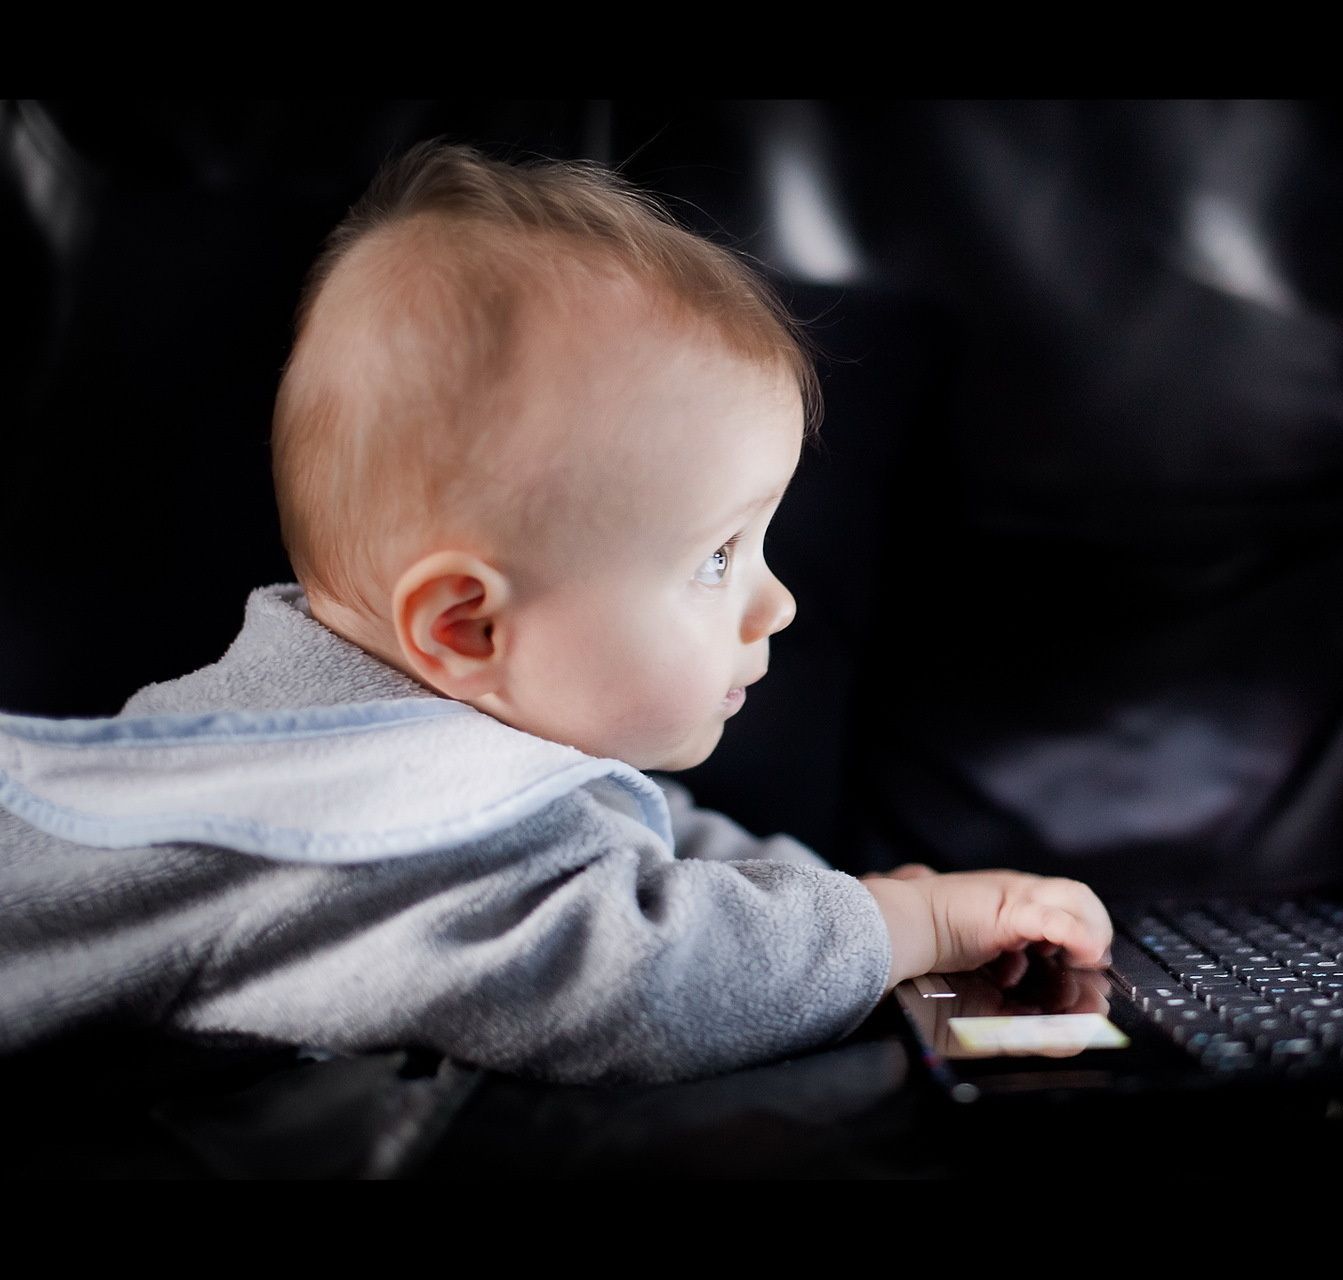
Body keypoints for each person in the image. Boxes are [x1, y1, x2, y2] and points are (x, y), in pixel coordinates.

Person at [0, 139, 1112, 1086]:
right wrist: (902, 930)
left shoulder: (412, 738)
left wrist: (840, 898)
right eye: (718, 555)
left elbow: (628, 838)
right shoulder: (354, 821)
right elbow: (640, 978)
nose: (777, 600)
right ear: (467, 628)